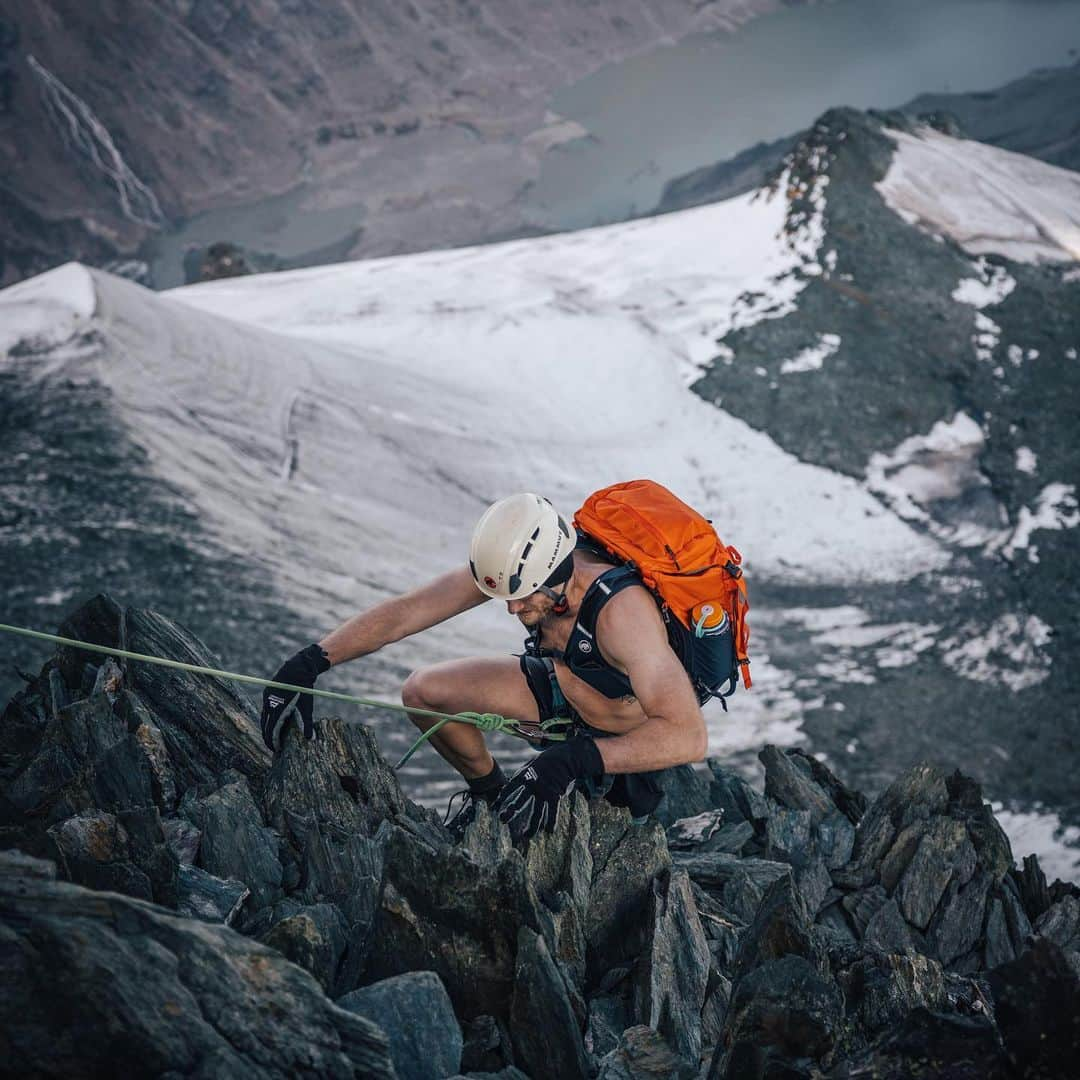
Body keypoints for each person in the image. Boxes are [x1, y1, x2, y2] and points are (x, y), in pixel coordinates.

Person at [260, 492, 710, 842]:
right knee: (424, 693)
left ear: (557, 574)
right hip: (562, 696)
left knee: (591, 842)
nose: (512, 609)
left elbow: (687, 735)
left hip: (623, 739)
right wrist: (308, 664)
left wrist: (570, 761)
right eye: (506, 595)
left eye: (523, 595)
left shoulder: (622, 616)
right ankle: (490, 799)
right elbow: (406, 612)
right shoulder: (522, 571)